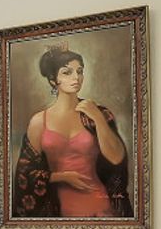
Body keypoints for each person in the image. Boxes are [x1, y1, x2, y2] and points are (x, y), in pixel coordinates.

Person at [12, 46, 131, 219]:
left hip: (99, 205)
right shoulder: (39, 121)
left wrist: (98, 118)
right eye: (67, 72)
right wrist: (62, 177)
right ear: (53, 80)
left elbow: (116, 158)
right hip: (57, 209)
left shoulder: (97, 113)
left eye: (79, 71)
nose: (76, 77)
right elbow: (25, 174)